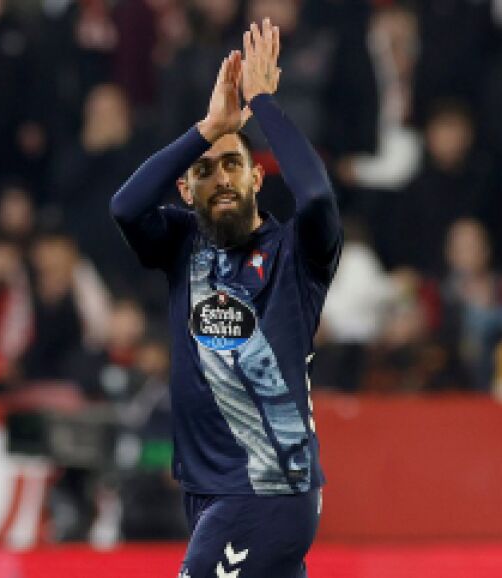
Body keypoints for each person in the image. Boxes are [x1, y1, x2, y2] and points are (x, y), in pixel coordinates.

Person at [110, 20, 339, 578]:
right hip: (206, 489)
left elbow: (315, 196)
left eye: (233, 163)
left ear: (257, 178)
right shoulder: (181, 244)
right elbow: (126, 207)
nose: (221, 179)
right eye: (205, 171)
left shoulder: (296, 254)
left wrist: (262, 104)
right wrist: (208, 129)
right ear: (186, 191)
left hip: (270, 488)